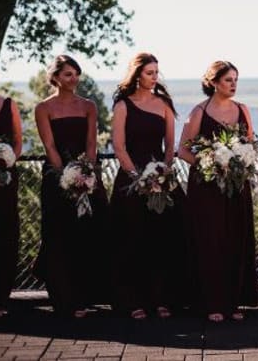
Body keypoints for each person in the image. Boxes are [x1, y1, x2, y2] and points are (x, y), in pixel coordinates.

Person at [177, 60, 258, 323]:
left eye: (235, 80)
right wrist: (211, 163)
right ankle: (211, 303)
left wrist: (242, 161)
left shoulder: (243, 109)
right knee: (211, 242)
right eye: (227, 80)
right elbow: (183, 150)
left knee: (236, 239)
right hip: (207, 188)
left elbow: (253, 145)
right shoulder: (199, 112)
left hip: (236, 187)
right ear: (213, 82)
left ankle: (233, 303)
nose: (233, 84)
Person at [32, 55, 111, 317]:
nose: (74, 78)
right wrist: (65, 177)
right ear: (55, 77)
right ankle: (64, 300)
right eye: (68, 74)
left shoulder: (88, 106)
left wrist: (86, 173)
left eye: (76, 73)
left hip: (88, 175)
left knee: (89, 232)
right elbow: (50, 146)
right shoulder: (43, 108)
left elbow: (91, 143)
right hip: (56, 177)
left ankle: (86, 296)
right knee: (59, 236)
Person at [109, 53, 185, 319]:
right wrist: (137, 178)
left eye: (156, 72)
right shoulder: (122, 106)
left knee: (163, 240)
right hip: (131, 181)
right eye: (149, 73)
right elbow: (118, 146)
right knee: (132, 240)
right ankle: (132, 301)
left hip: (161, 180)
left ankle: (162, 299)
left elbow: (169, 146)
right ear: (137, 74)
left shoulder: (164, 103)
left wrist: (161, 175)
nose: (154, 77)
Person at [0, 57, 22, 319]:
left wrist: (8, 161)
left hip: (5, 181)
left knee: (4, 236)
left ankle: (0, 299)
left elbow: (19, 142)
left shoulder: (8, 105)